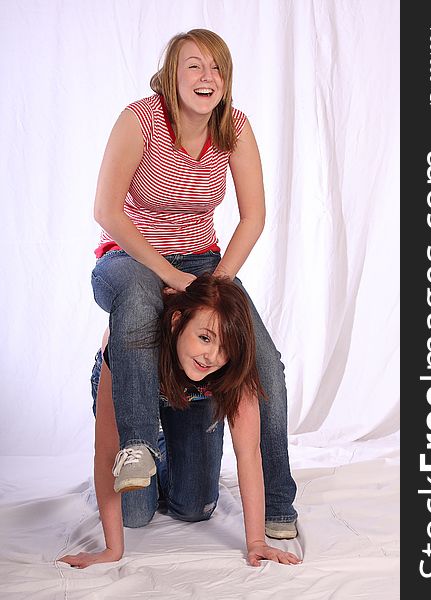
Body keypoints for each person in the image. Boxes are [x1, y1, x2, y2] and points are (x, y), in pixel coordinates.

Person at [90, 28, 297, 540]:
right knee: (138, 301)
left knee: (264, 364)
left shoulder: (234, 128)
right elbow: (107, 212)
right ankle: (136, 447)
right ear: (171, 74)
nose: (207, 77)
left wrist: (216, 285)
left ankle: (278, 500)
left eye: (217, 68)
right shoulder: (140, 120)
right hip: (129, 255)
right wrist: (168, 274)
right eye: (194, 66)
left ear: (226, 81)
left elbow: (254, 217)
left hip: (205, 261)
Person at [59, 275, 301, 568]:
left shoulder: (229, 369)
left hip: (194, 398)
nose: (212, 356)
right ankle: (148, 444)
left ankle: (164, 446)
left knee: (194, 507)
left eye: (225, 348)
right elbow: (107, 451)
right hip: (137, 383)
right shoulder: (134, 347)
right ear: (176, 322)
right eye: (205, 338)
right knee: (134, 514)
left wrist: (256, 543)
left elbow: (248, 453)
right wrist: (112, 550)